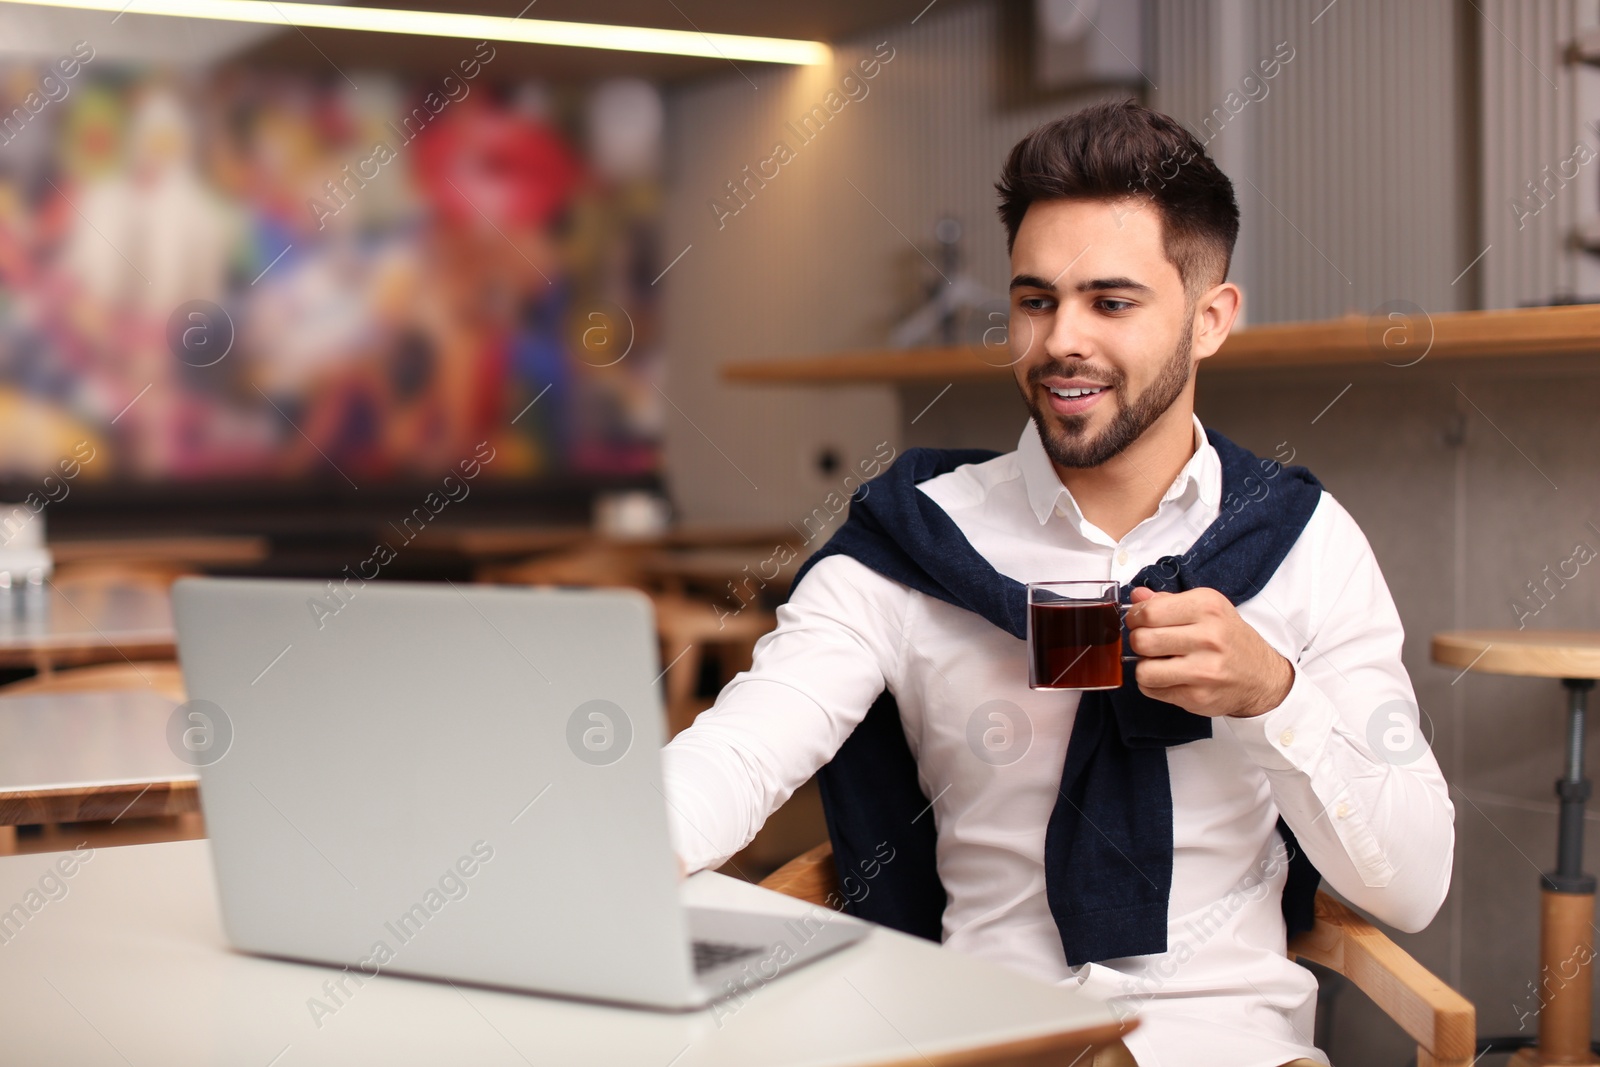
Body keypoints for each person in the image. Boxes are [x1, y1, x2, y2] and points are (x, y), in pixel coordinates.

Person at [660, 100, 1454, 1067]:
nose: (1059, 341)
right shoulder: (914, 540)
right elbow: (739, 756)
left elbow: (1413, 882)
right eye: (1036, 301)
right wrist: (575, 861)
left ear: (1210, 319)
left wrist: (1274, 698)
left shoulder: (1305, 543)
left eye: (1110, 303)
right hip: (990, 1035)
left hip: (1227, 1046)